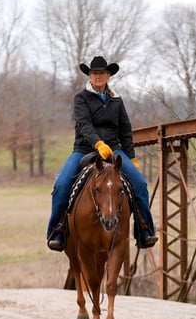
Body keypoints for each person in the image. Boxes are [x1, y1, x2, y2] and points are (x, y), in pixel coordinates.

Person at [47, 55, 158, 252]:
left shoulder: (117, 100)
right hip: (84, 149)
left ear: (108, 75)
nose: (98, 76)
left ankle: (144, 229)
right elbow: (84, 124)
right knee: (62, 184)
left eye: (102, 73)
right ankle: (58, 231)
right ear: (90, 75)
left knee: (140, 183)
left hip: (114, 150)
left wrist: (130, 156)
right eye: (94, 73)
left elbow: (125, 129)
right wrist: (97, 143)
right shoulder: (81, 98)